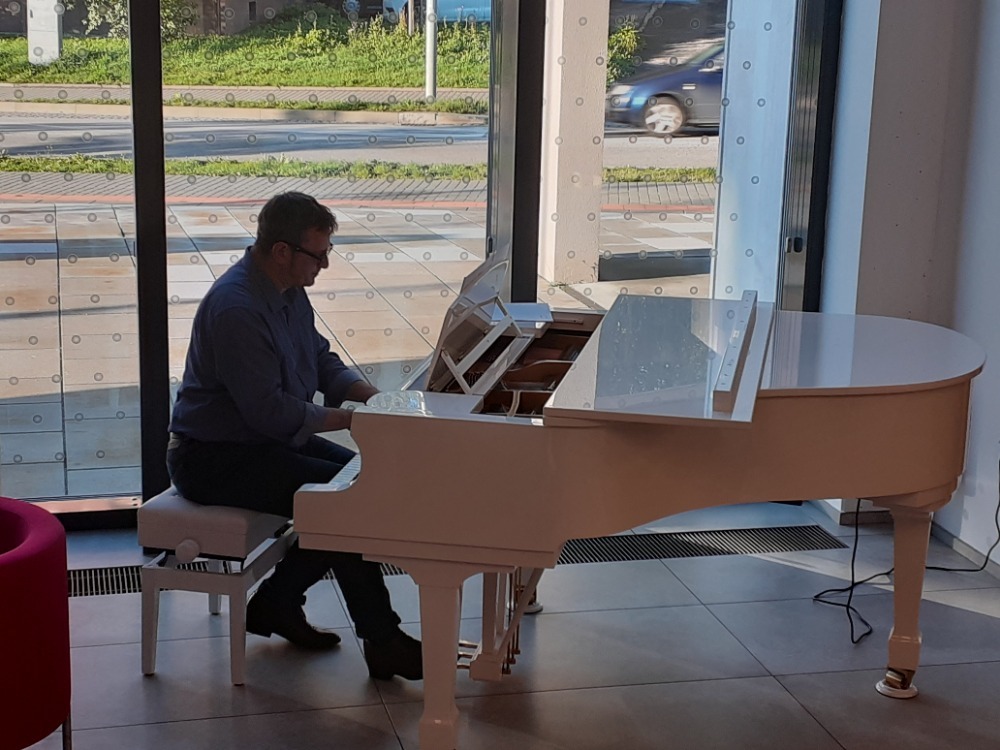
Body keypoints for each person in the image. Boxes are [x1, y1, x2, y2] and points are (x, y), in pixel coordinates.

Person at [166, 191, 421, 681]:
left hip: (260, 445)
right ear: (282, 251)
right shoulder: (237, 308)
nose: (324, 264)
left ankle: (279, 604)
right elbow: (270, 412)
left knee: (361, 485)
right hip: (213, 458)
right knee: (348, 501)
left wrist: (372, 398)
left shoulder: (286, 289)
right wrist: (353, 421)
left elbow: (321, 359)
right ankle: (379, 638)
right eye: (318, 254)